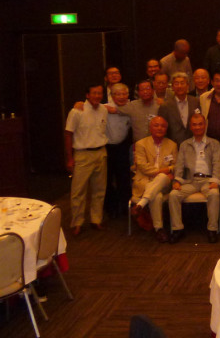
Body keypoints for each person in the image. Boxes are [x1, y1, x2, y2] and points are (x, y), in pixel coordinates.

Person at [169, 113, 220, 243]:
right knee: (173, 195)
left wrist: (215, 181)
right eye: (194, 125)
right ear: (190, 127)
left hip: (208, 181)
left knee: (214, 194)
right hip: (190, 181)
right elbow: (180, 165)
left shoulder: (214, 143)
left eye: (200, 124)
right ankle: (177, 229)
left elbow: (218, 164)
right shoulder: (184, 145)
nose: (197, 127)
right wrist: (177, 181)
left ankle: (212, 229)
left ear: (205, 125)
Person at [64, 83, 109, 235]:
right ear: (87, 95)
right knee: (78, 191)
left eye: (99, 93)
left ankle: (96, 219)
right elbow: (68, 134)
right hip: (83, 154)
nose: (97, 96)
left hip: (101, 153)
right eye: (94, 93)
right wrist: (69, 158)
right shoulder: (77, 111)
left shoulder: (103, 110)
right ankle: (77, 222)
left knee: (99, 190)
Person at [131, 116, 177, 243]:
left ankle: (141, 204)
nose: (160, 128)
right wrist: (166, 170)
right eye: (156, 125)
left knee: (161, 178)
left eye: (163, 126)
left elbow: (176, 166)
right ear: (150, 128)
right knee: (156, 195)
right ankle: (159, 229)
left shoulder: (172, 145)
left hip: (165, 183)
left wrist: (168, 171)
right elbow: (144, 168)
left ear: (166, 129)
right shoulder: (140, 144)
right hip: (144, 181)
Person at [104, 83, 132, 219]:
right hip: (107, 148)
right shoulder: (104, 108)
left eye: (124, 94)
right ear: (112, 96)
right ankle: (111, 208)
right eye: (118, 94)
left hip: (123, 148)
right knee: (107, 180)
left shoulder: (131, 107)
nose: (121, 97)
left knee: (124, 179)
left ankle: (125, 208)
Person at [159, 72, 200, 146]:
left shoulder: (195, 102)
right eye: (176, 83)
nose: (179, 86)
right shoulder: (165, 106)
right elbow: (162, 129)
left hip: (194, 144)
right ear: (172, 87)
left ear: (188, 85)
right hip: (173, 145)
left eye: (182, 83)